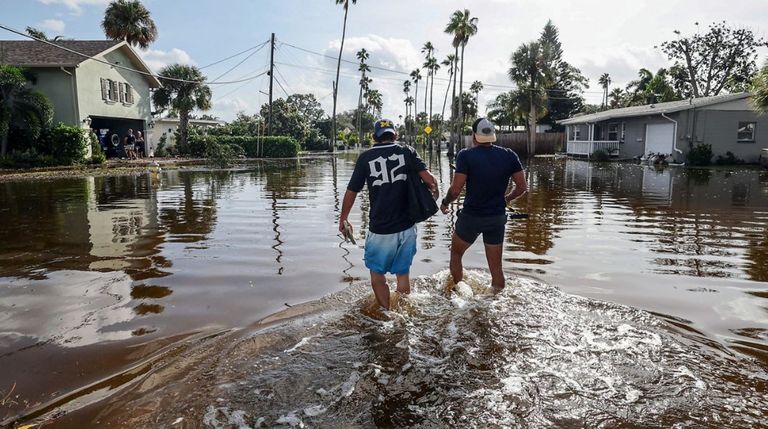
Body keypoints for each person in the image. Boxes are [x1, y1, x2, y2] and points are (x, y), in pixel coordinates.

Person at [339, 119, 437, 310]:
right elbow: (429, 180)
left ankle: (387, 315)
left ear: (374, 137)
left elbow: (352, 191)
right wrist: (436, 190)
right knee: (403, 274)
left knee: (377, 275)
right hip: (407, 226)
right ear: (395, 135)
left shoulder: (366, 158)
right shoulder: (406, 151)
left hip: (381, 228)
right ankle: (403, 313)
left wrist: (343, 218)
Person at [440, 117, 528, 291]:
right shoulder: (509, 155)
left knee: (456, 254)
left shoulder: (466, 155)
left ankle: (460, 292)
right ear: (493, 135)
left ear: (474, 136)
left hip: (471, 217)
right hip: (496, 218)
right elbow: (522, 187)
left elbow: (456, 190)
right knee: (497, 271)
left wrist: (445, 202)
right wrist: (506, 199)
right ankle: (496, 297)